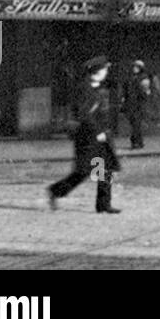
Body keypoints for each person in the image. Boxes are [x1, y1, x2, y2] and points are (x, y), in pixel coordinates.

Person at [48, 56, 121, 214]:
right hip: (88, 137)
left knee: (106, 169)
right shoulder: (84, 89)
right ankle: (55, 191)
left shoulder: (98, 87)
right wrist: (98, 131)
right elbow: (84, 114)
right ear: (96, 72)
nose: (106, 72)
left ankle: (103, 205)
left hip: (102, 137)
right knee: (84, 171)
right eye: (104, 69)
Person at [123, 60, 152, 149]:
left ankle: (134, 142)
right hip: (130, 103)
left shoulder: (143, 77)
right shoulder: (130, 77)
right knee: (134, 124)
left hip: (139, 103)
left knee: (136, 123)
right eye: (134, 67)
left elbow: (145, 91)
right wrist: (124, 98)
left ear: (141, 68)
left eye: (137, 67)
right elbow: (125, 89)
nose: (135, 69)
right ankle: (140, 142)